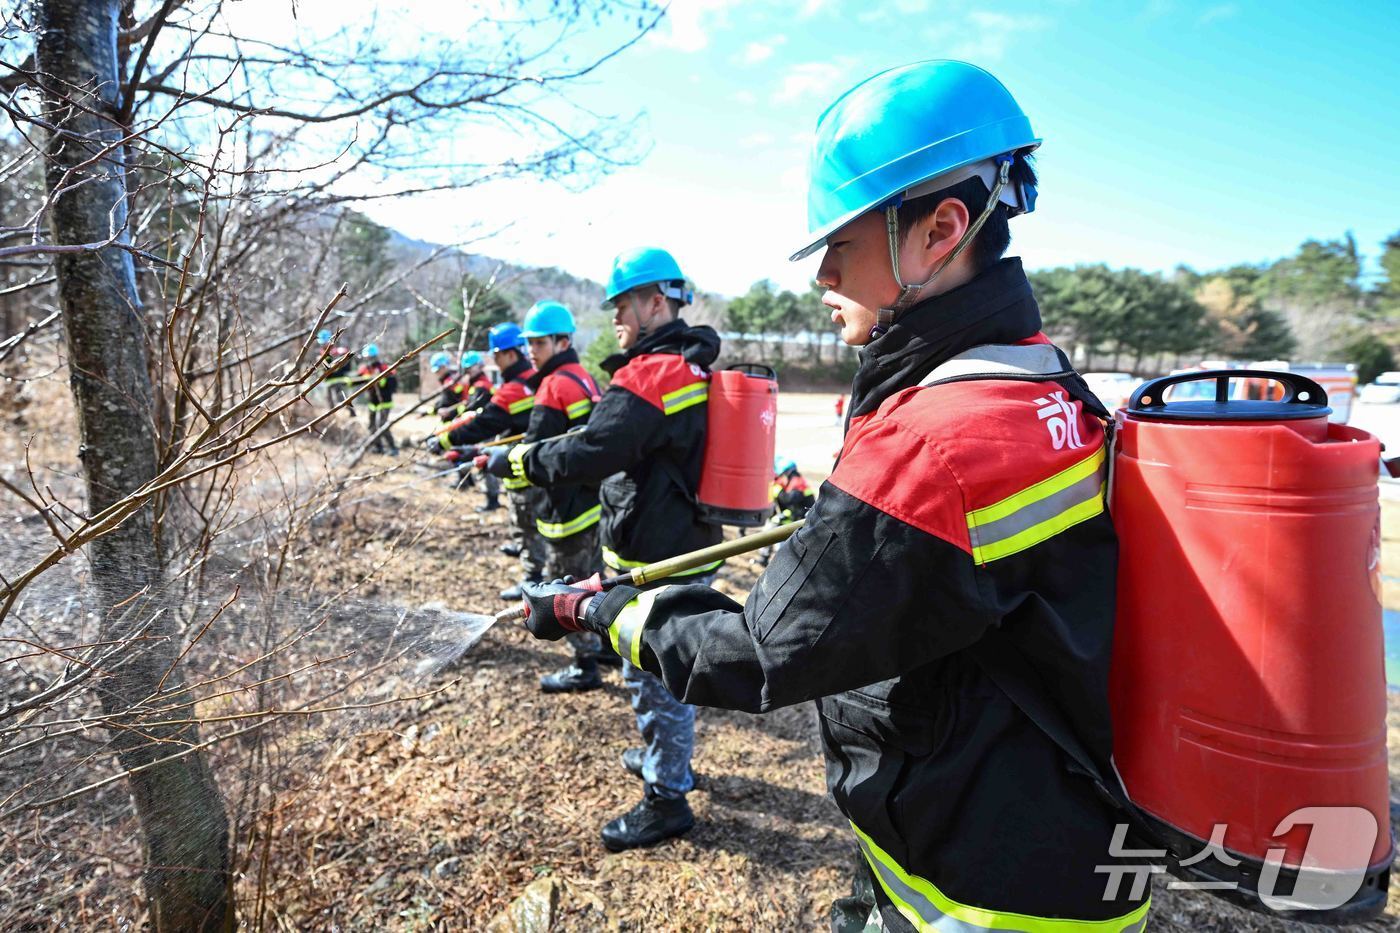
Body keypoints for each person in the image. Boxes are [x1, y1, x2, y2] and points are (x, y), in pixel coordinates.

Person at [516, 61, 1150, 932]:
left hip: (982, 887)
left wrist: (606, 612)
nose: (819, 273)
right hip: (1054, 824)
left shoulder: (930, 442)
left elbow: (760, 652)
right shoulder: (1046, 381)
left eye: (838, 243)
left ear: (940, 230)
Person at [499, 248, 719, 851]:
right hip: (682, 541)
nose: (616, 317)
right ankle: (664, 759)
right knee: (658, 671)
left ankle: (666, 800)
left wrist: (517, 460)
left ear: (656, 302)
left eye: (621, 304)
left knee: (653, 675)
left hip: (657, 554)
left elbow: (595, 449)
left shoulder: (652, 373)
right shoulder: (688, 366)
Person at [498, 300, 608, 693]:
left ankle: (585, 664)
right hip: (591, 502)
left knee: (568, 588)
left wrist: (501, 462)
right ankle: (606, 643)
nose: (531, 350)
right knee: (595, 578)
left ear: (563, 341)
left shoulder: (553, 384)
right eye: (528, 343)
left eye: (538, 343)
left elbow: (535, 450)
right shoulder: (583, 377)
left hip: (565, 508)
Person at [428, 322, 543, 590]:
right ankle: (534, 572)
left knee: (527, 525)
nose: (496, 362)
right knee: (532, 527)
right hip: (531, 464)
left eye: (497, 356)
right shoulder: (535, 380)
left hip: (521, 468)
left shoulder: (514, 388)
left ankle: (533, 582)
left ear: (510, 354)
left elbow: (485, 423)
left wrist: (445, 439)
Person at [758, 456, 815, 567]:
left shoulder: (797, 483)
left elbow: (790, 501)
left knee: (781, 546)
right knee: (768, 529)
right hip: (791, 517)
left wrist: (778, 491)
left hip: (798, 520)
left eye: (782, 475)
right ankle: (764, 558)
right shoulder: (787, 481)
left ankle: (778, 565)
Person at [357, 343, 397, 455]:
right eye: (367, 357)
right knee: (372, 426)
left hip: (384, 402)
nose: (368, 359)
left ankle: (393, 448)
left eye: (369, 357)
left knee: (382, 425)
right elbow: (358, 379)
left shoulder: (383, 368)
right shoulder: (366, 369)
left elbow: (393, 384)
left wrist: (382, 381)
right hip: (372, 403)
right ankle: (378, 447)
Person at [317, 329, 356, 414]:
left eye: (325, 343)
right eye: (322, 343)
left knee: (341, 399)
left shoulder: (337, 352)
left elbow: (344, 366)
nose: (323, 345)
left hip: (338, 380)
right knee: (329, 401)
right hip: (328, 381)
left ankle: (352, 414)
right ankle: (332, 416)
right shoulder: (322, 354)